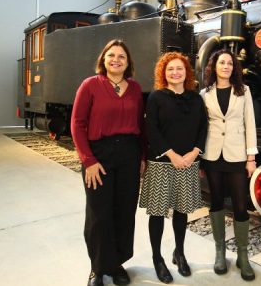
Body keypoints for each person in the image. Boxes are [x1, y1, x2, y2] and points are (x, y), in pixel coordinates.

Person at [70, 39, 145, 286]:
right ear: (103, 59)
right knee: (99, 213)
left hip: (129, 154)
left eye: (121, 56)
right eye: (111, 55)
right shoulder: (90, 85)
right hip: (99, 155)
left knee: (124, 211)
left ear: (128, 62)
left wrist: (142, 157)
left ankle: (117, 263)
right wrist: (88, 160)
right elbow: (78, 124)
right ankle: (98, 268)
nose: (116, 59)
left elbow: (141, 126)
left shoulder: (134, 88)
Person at [138, 51, 208, 284]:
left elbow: (203, 129)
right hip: (161, 163)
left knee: (182, 210)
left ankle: (179, 252)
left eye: (179, 68)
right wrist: (172, 155)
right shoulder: (156, 97)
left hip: (188, 162)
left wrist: (193, 153)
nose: (175, 72)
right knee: (157, 213)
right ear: (163, 73)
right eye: (170, 69)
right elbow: (152, 130)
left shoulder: (196, 99)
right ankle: (158, 259)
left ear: (186, 72)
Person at [200, 49, 258, 281]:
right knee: (215, 202)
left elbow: (250, 124)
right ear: (214, 67)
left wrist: (251, 157)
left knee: (240, 205)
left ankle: (243, 256)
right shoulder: (204, 93)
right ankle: (220, 252)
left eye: (230, 64)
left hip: (236, 155)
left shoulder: (244, 91)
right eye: (221, 63)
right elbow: (201, 126)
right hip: (213, 154)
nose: (226, 66)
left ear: (234, 68)